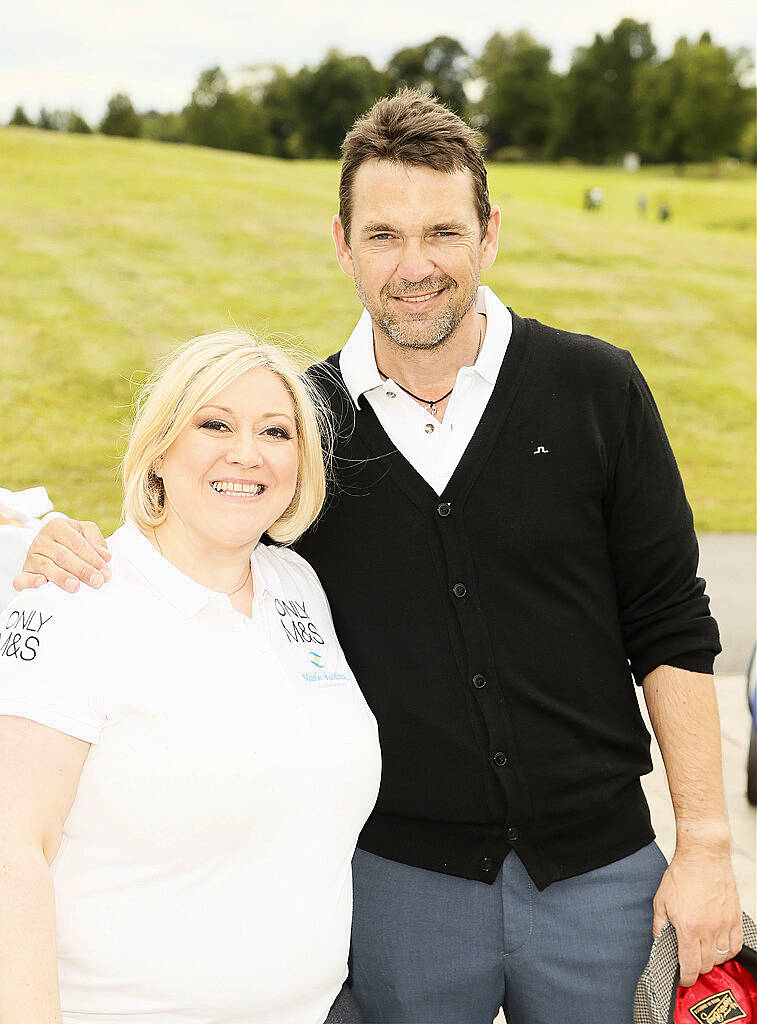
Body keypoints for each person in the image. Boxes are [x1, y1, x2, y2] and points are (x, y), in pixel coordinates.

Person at [17, 90, 741, 1024]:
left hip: (601, 877)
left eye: (442, 231)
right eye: (384, 235)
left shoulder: (594, 387)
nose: (415, 265)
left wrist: (709, 847)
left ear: (488, 235)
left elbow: (669, 618)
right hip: (401, 890)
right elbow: (192, 522)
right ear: (342, 243)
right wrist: (24, 538)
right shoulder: (301, 430)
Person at [1, 331, 380, 1024]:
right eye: (214, 424)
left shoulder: (295, 585)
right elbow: (11, 849)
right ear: (158, 452)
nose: (247, 453)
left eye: (275, 431)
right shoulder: (77, 596)